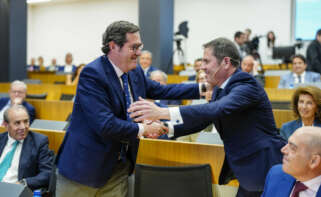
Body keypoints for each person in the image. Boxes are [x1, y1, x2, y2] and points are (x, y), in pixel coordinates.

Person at [55, 20, 202, 197]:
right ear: (113, 46)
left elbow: (161, 90)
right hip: (83, 170)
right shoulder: (92, 74)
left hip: (118, 168)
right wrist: (144, 129)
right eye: (134, 47)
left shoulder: (134, 71)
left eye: (140, 47)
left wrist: (203, 89)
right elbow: (106, 125)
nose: (139, 53)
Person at [129, 37, 286, 197]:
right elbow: (203, 119)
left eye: (206, 61)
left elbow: (217, 109)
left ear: (225, 62)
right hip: (246, 169)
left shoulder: (246, 85)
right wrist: (166, 128)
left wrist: (164, 112)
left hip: (265, 166)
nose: (202, 67)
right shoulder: (220, 89)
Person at [0, 105, 52, 190]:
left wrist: (24, 183)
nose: (23, 127)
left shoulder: (39, 142)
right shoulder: (1, 139)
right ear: (6, 125)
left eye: (26, 121)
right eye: (17, 123)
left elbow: (47, 174)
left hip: (14, 190)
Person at [262, 126, 321, 197]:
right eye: (287, 143)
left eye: (293, 148)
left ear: (313, 161)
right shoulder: (275, 175)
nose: (283, 150)